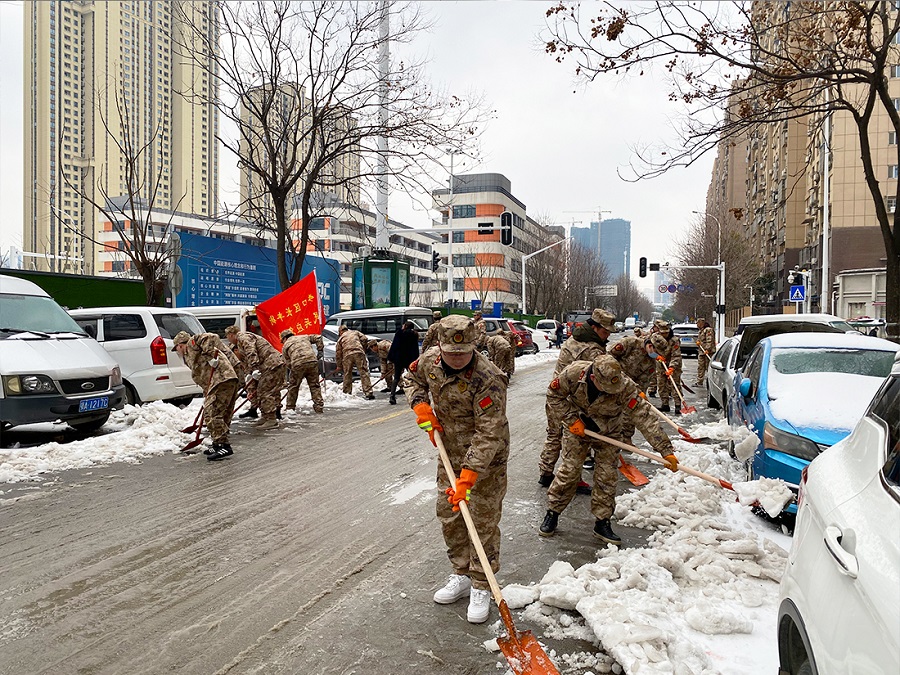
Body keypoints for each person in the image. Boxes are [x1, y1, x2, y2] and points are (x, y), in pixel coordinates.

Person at [405, 314, 510, 625]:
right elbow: (412, 380)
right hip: (449, 451)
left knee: (481, 518)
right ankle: (461, 573)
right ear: (440, 347)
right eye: (451, 353)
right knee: (450, 515)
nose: (456, 359)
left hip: (486, 458)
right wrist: (420, 406)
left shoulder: (488, 378)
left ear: (474, 347)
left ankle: (482, 583)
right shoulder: (429, 362)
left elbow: (489, 432)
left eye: (463, 354)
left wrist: (469, 475)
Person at [540, 355, 678, 543]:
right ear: (594, 378)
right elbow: (553, 395)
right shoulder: (573, 374)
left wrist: (665, 450)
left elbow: (644, 417)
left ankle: (602, 522)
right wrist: (572, 420)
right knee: (570, 471)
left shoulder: (625, 387)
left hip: (609, 432)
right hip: (578, 428)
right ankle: (553, 512)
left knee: (607, 476)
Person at [538, 308, 617, 487]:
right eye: (605, 332)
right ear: (595, 328)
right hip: (571, 400)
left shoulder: (574, 338)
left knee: (553, 434)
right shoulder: (591, 349)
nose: (607, 336)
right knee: (574, 442)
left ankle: (546, 472)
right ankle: (572, 480)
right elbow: (598, 377)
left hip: (557, 393)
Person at [172, 331, 239, 461]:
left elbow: (211, 337)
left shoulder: (192, 344)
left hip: (221, 378)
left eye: (177, 349)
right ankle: (217, 443)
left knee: (212, 413)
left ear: (180, 345)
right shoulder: (189, 357)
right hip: (218, 382)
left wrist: (210, 356)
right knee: (219, 413)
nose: (177, 352)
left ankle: (223, 446)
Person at [225, 326, 285, 430]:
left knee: (265, 391)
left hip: (271, 365)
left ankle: (271, 419)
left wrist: (255, 369)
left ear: (230, 335)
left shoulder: (243, 337)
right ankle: (266, 417)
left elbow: (251, 352)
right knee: (261, 391)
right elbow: (247, 361)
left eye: (227, 337)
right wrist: (249, 374)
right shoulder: (239, 342)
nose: (228, 339)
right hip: (267, 366)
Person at [280, 329, 324, 414]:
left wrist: (294, 370)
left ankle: (290, 408)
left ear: (285, 338)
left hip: (297, 364)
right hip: (312, 361)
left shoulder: (286, 345)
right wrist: (320, 350)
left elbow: (287, 362)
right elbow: (318, 337)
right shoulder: (304, 337)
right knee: (314, 385)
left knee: (293, 386)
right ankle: (319, 406)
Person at [650, 319, 683, 414]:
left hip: (674, 365)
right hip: (660, 364)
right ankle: (665, 404)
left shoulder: (674, 340)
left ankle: (678, 405)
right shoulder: (654, 338)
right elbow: (650, 350)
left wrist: (671, 368)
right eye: (662, 333)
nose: (665, 335)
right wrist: (656, 356)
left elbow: (676, 355)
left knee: (675, 384)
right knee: (661, 384)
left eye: (666, 333)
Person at [335, 325, 374, 399]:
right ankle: (368, 392)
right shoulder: (355, 332)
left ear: (341, 331)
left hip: (347, 355)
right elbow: (365, 338)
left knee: (347, 374)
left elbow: (338, 353)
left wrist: (339, 365)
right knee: (364, 372)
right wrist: (363, 347)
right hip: (359, 352)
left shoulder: (340, 338)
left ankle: (347, 393)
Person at [387, 321, 420, 405]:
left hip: (399, 359)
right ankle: (415, 395)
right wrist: (416, 359)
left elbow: (394, 345)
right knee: (412, 377)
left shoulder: (399, 333)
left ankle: (392, 396)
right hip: (410, 359)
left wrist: (391, 357)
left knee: (397, 377)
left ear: (405, 326)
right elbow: (415, 348)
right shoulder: (414, 335)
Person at [695, 318, 716, 386]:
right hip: (702, 352)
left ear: (701, 323)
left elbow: (709, 340)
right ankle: (699, 381)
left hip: (708, 352)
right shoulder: (701, 331)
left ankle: (711, 381)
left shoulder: (708, 330)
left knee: (708, 367)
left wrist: (708, 349)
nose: (697, 325)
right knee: (701, 367)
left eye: (698, 323)